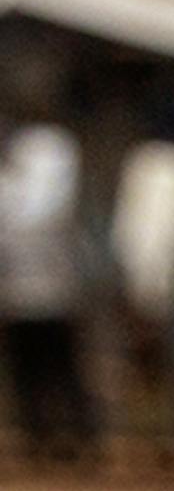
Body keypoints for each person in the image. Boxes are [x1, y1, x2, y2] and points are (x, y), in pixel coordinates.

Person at [0, 121, 90, 467]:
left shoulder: (52, 158)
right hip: (17, 296)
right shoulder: (12, 180)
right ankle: (38, 438)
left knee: (60, 368)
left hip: (56, 293)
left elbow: (44, 216)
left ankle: (77, 436)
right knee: (28, 371)